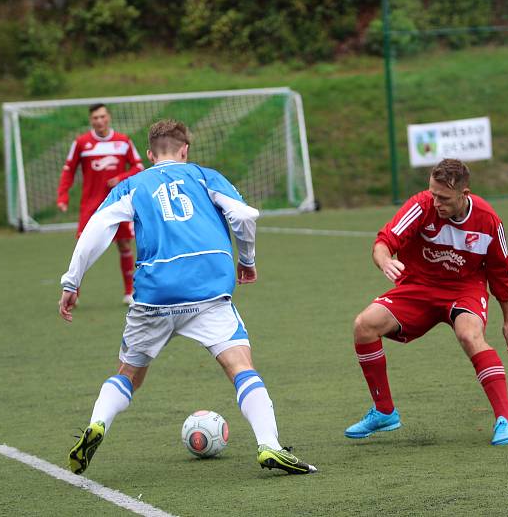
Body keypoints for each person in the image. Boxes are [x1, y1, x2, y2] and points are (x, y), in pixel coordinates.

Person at [59, 119, 317, 475]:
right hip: (207, 289)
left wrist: (72, 282)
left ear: (149, 154)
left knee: (129, 374)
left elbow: (94, 231)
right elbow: (244, 215)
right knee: (240, 365)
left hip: (154, 295)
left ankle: (98, 423)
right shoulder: (204, 176)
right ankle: (269, 445)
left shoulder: (133, 184)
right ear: (185, 150)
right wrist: (247, 260)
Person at [345, 158, 508, 446]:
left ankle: (507, 422)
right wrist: (384, 261)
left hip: (465, 287)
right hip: (419, 285)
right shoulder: (421, 206)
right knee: (364, 325)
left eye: (443, 197)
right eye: (433, 194)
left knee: (469, 334)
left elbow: (501, 273)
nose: (436, 202)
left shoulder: (489, 221)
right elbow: (384, 241)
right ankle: (384, 411)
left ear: (464, 195)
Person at [57, 103, 145, 304]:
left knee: (124, 244)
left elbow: (139, 167)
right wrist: (63, 196)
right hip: (91, 205)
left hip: (118, 203)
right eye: (95, 118)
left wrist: (121, 177)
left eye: (102, 116)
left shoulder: (123, 141)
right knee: (84, 247)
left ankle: (129, 292)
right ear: (91, 121)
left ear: (109, 117)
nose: (99, 121)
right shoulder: (81, 143)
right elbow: (68, 170)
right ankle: (73, 292)